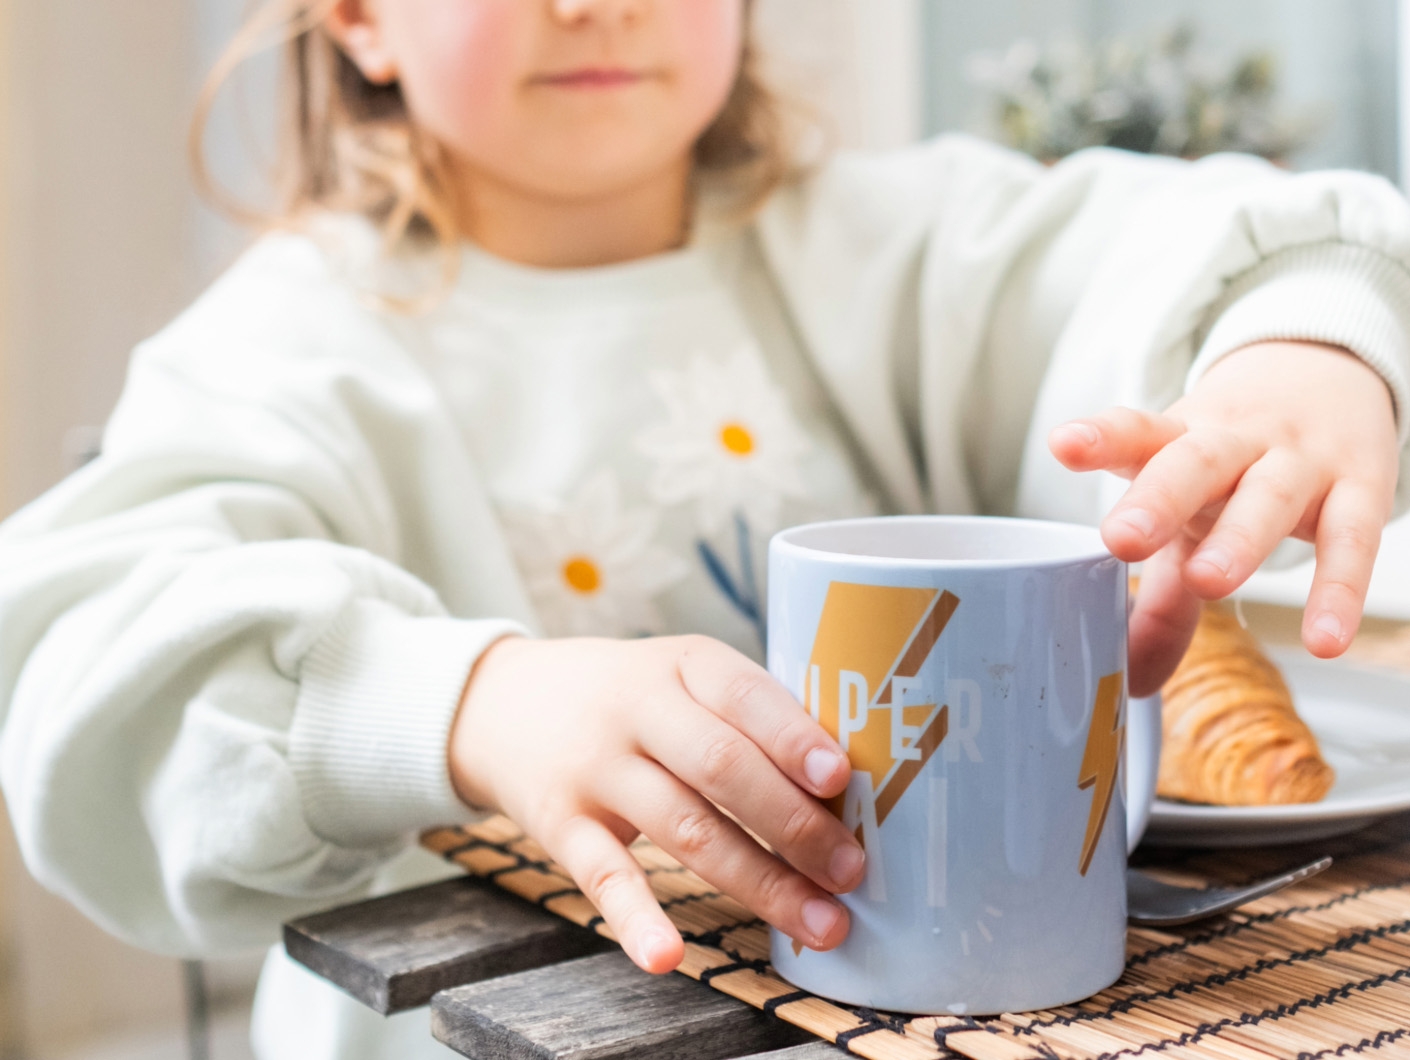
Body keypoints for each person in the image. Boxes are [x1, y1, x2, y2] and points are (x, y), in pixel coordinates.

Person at [1, 1, 1406, 1056]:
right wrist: (464, 705)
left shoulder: (877, 250)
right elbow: (83, 676)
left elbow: (1219, 238)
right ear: (357, 16)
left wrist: (1289, 349)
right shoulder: (285, 353)